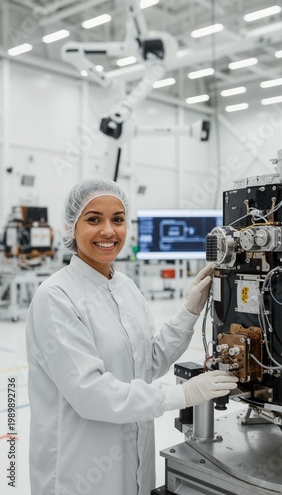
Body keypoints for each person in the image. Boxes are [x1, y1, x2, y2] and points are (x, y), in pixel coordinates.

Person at [26, 178, 237, 495]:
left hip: (135, 467)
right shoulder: (56, 296)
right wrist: (181, 396)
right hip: (78, 474)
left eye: (118, 219)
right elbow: (91, 393)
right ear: (72, 226)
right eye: (94, 219)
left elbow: (147, 362)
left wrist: (189, 312)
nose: (109, 231)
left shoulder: (124, 287)